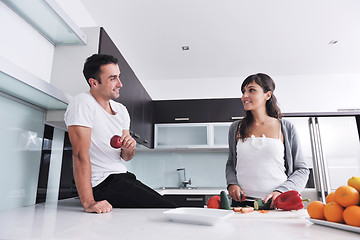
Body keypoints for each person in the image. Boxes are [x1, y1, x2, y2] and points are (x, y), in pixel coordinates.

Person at [64, 54, 176, 213]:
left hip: (123, 177)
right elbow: (79, 155)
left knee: (168, 209)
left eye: (119, 77)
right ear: (94, 82)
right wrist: (89, 202)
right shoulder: (82, 102)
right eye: (113, 78)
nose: (120, 84)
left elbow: (125, 157)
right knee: (167, 211)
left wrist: (129, 148)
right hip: (101, 184)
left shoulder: (121, 110)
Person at [225, 73, 309, 209]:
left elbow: (302, 170)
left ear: (267, 95)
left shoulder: (286, 128)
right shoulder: (236, 128)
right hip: (242, 206)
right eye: (243, 92)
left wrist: (281, 191)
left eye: (251, 90)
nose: (244, 96)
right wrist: (232, 183)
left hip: (278, 204)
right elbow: (230, 163)